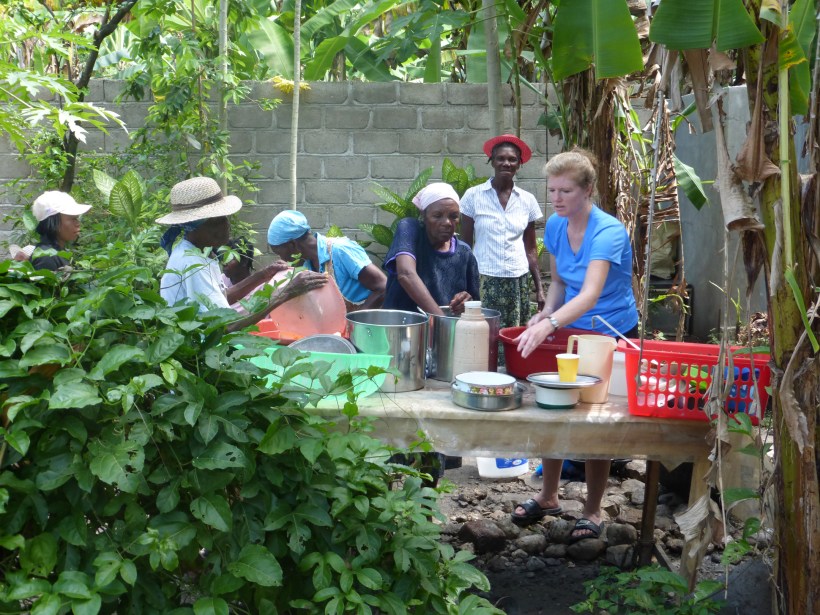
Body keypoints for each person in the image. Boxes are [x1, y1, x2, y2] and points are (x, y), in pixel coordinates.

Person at [510, 149, 639, 542]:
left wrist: (551, 321)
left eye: (566, 190)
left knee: (594, 419)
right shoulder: (554, 225)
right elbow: (561, 285)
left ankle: (594, 509)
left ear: (588, 190)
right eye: (552, 190)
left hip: (609, 332)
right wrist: (543, 313)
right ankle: (548, 496)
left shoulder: (609, 231)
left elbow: (589, 292)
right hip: (569, 329)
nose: (558, 198)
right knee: (554, 407)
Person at [157, 177, 327, 333]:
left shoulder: (194, 252)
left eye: (225, 218)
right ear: (195, 227)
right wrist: (286, 293)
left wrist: (262, 275)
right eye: (218, 220)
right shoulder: (193, 263)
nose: (227, 225)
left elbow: (220, 300)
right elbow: (225, 324)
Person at [459, 134, 545, 329]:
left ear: (519, 164)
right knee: (483, 334)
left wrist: (539, 288)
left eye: (512, 159)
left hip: (518, 281)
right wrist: (463, 285)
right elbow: (464, 246)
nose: (506, 163)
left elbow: (530, 249)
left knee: (513, 334)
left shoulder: (527, 200)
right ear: (492, 161)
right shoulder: (473, 196)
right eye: (501, 158)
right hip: (484, 279)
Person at [382, 182, 480, 316]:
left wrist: (465, 301)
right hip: (402, 328)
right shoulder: (410, 230)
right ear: (423, 215)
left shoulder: (464, 253)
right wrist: (440, 319)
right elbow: (406, 274)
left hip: (444, 334)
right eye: (437, 216)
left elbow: (473, 303)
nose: (447, 223)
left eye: (453, 216)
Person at [267, 211, 386, 311]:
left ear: (293, 244)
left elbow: (383, 287)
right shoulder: (307, 264)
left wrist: (354, 323)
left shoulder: (341, 250)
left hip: (367, 328)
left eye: (279, 252)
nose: (282, 258)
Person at [29, 191, 92, 271]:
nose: (78, 223)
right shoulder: (46, 257)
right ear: (53, 222)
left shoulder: (57, 252)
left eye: (77, 218)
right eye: (73, 219)